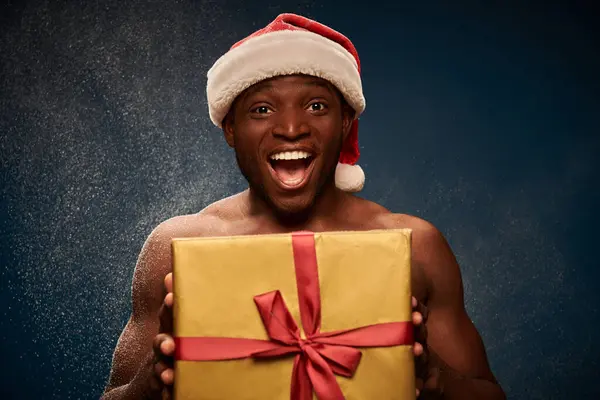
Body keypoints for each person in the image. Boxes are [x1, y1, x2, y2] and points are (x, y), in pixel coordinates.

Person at [101, 13, 505, 400]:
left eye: (316, 106)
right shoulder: (176, 246)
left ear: (345, 121)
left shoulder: (417, 246)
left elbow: (489, 394)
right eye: (262, 109)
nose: (291, 129)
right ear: (230, 128)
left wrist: (433, 377)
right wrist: (151, 385)